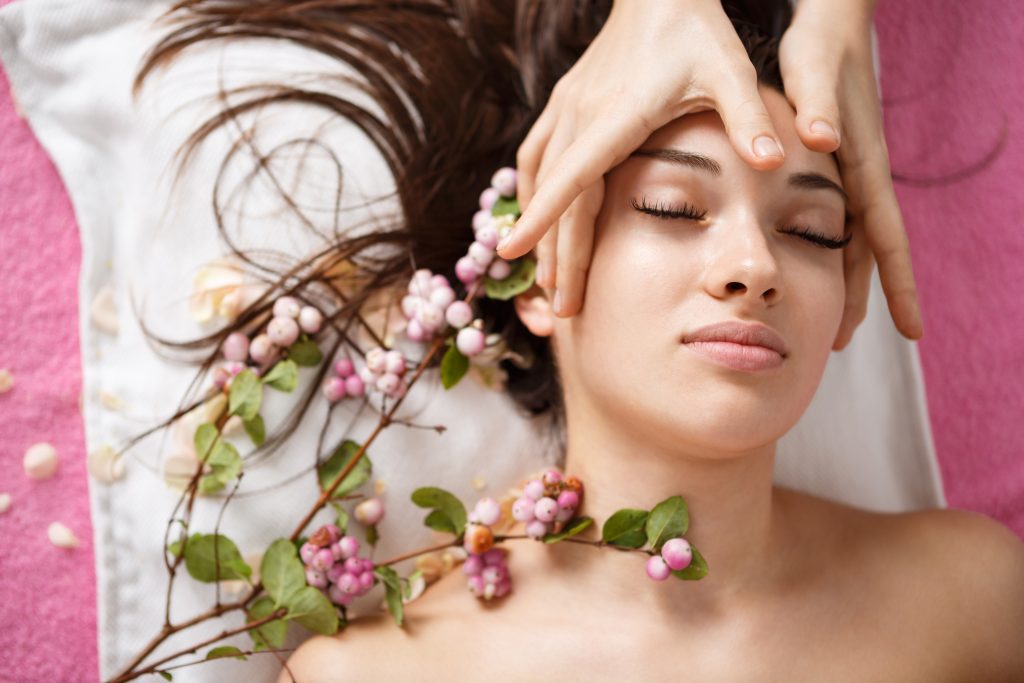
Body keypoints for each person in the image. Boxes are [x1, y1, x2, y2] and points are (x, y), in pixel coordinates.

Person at [272, 4, 1024, 681]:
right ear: (533, 275)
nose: (756, 267)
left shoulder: (975, 598)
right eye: (673, 208)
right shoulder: (368, 674)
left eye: (808, 231)